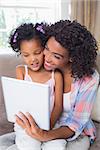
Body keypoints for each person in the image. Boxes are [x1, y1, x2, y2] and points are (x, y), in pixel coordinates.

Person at [15, 20, 99, 150]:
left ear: (72, 57)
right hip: (42, 124)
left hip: (72, 132)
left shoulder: (89, 79)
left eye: (56, 56)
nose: (47, 58)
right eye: (46, 48)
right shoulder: (40, 64)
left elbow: (76, 123)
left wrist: (45, 135)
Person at [3, 23, 63, 150]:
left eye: (37, 52)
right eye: (26, 55)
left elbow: (58, 106)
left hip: (51, 122)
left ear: (45, 49)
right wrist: (30, 127)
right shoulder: (21, 71)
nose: (33, 59)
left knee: (57, 147)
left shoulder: (55, 75)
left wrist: (48, 128)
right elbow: (21, 102)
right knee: (30, 146)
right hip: (26, 123)